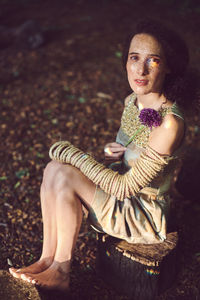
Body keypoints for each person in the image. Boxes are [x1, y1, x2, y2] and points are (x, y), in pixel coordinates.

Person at [9, 19, 195, 291]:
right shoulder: (132, 102)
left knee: (65, 171)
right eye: (134, 58)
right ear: (126, 61)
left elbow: (126, 186)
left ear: (168, 66)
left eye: (153, 60)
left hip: (140, 211)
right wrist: (109, 153)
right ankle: (46, 259)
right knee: (53, 168)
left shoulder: (170, 123)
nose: (140, 69)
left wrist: (77, 158)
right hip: (120, 191)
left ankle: (61, 271)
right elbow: (116, 153)